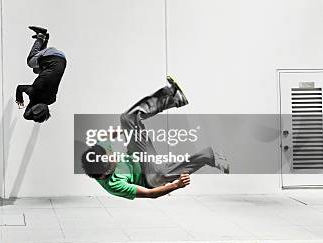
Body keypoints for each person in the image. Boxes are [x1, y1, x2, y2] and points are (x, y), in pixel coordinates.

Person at [81, 76, 229, 200]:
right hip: (149, 178)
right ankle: (209, 156)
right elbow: (150, 194)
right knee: (155, 177)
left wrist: (129, 127)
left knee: (126, 118)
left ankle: (173, 98)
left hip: (138, 155)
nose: (113, 156)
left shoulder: (98, 151)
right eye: (111, 161)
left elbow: (107, 135)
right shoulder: (114, 186)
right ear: (104, 174)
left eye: (110, 154)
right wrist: (176, 185)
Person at [15, 26, 67, 123]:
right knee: (30, 62)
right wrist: (20, 100)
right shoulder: (33, 93)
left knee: (36, 70)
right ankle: (41, 36)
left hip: (61, 60)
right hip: (51, 57)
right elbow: (20, 88)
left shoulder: (51, 100)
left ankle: (45, 39)